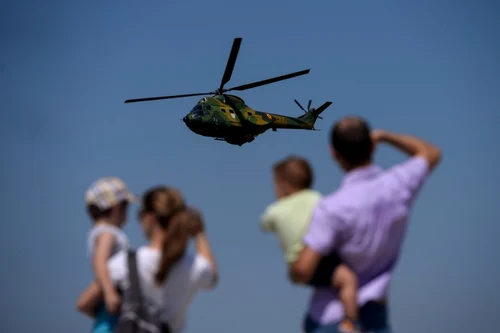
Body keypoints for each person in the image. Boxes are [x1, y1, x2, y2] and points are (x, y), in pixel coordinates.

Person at [290, 116, 442, 333]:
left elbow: (303, 269)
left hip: (332, 317)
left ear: (334, 153)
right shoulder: (397, 186)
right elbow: (431, 153)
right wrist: (385, 136)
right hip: (375, 318)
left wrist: (293, 268)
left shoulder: (332, 208)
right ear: (372, 146)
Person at [76, 185, 218, 333]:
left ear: (150, 218)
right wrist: (199, 233)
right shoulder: (193, 267)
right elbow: (212, 275)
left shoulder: (125, 263)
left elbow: (83, 303)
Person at [260, 156, 361, 333]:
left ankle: (347, 322)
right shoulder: (316, 198)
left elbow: (264, 224)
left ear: (283, 185)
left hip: (296, 264)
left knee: (338, 280)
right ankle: (350, 322)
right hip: (320, 258)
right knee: (348, 279)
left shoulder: (275, 210)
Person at [81, 177, 136, 333]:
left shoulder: (97, 233)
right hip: (114, 289)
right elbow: (100, 261)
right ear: (117, 208)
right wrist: (109, 292)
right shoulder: (109, 233)